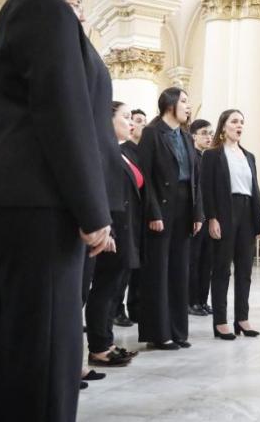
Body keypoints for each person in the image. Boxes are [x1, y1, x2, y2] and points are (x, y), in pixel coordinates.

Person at [0, 0, 119, 420]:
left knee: (23, 349)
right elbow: (66, 118)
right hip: (42, 203)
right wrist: (93, 212)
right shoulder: (48, 13)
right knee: (47, 355)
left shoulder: (24, 9)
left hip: (24, 201)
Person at [137, 87, 204, 350]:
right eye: (184, 102)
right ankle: (159, 333)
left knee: (179, 270)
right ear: (170, 105)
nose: (188, 107)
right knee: (159, 271)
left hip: (185, 207)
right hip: (162, 208)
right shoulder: (153, 134)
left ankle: (178, 331)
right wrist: (153, 212)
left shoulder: (186, 138)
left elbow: (195, 179)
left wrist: (198, 213)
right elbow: (145, 177)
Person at [84, 102, 143, 367]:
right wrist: (105, 226)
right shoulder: (98, 149)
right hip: (109, 229)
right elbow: (101, 193)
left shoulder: (121, 153)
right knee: (103, 290)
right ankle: (98, 346)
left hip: (124, 228)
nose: (131, 123)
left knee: (113, 290)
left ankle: (105, 343)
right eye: (126, 117)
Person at [202, 109, 260, 339]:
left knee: (245, 269)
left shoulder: (249, 156)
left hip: (247, 211)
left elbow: (254, 188)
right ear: (224, 126)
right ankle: (220, 321)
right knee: (221, 269)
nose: (239, 126)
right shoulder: (213, 155)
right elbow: (206, 189)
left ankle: (243, 319)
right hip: (224, 211)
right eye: (234, 122)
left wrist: (259, 217)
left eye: (242, 122)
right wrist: (212, 218)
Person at [113, 108, 148, 327]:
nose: (139, 125)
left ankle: (133, 306)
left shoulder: (141, 151)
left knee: (134, 267)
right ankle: (116, 309)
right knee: (118, 269)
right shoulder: (121, 150)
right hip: (121, 217)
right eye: (134, 120)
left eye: (143, 121)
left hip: (137, 217)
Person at [188, 118, 215, 317]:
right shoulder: (191, 158)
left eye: (211, 133)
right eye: (204, 132)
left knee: (207, 262)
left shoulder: (208, 159)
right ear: (194, 135)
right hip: (196, 218)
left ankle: (202, 300)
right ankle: (191, 301)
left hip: (209, 217)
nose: (209, 137)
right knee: (194, 261)